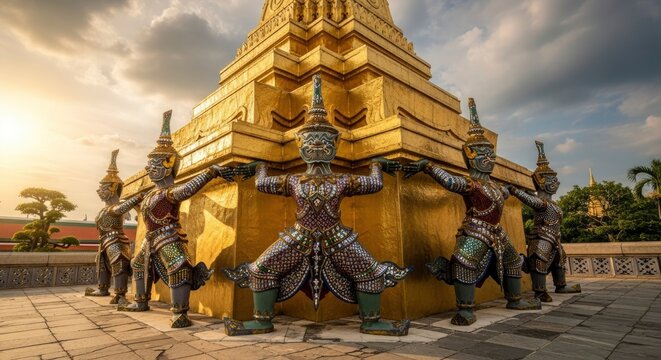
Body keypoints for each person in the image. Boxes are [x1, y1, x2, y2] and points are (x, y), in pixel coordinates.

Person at [223, 75, 411, 336]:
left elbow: (374, 185)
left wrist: (378, 164)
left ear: (335, 146)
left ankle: (372, 321)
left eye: (324, 140)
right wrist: (259, 166)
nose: (317, 145)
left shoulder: (343, 180)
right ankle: (261, 320)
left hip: (338, 237)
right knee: (261, 269)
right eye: (311, 141)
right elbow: (262, 184)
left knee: (371, 271)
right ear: (300, 146)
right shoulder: (292, 180)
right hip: (298, 237)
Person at [403, 98, 541, 326]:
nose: (489, 158)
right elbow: (449, 181)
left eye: (491, 153)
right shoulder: (471, 184)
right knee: (463, 264)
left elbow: (509, 192)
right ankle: (465, 309)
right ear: (470, 154)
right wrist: (427, 166)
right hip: (475, 230)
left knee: (513, 262)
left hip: (497, 232)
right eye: (482, 153)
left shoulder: (496, 187)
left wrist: (516, 187)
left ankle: (515, 299)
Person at [118, 110, 235, 328]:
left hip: (168, 236)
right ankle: (140, 301)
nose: (148, 169)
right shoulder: (150, 194)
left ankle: (179, 312)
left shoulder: (169, 192)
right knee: (137, 265)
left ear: (167, 166)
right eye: (149, 165)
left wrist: (210, 172)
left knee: (179, 266)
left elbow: (189, 189)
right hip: (151, 238)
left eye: (154, 165)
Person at [507, 141, 581, 302]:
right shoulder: (541, 202)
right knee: (538, 262)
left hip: (555, 237)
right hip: (542, 238)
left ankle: (560, 284)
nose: (556, 183)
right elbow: (528, 199)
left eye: (555, 179)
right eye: (552, 180)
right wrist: (514, 190)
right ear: (541, 182)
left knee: (559, 260)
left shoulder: (552, 203)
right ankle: (540, 291)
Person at [85, 149, 143, 306]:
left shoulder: (115, 207)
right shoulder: (104, 209)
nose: (99, 191)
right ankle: (103, 288)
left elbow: (122, 208)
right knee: (102, 265)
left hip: (116, 241)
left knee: (119, 266)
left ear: (112, 189)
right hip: (104, 240)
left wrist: (138, 197)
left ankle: (120, 294)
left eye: (103, 188)